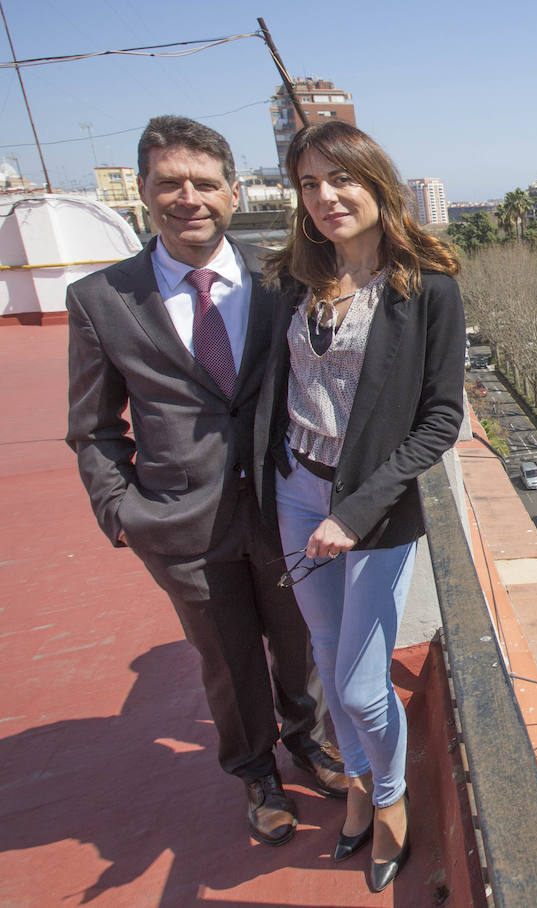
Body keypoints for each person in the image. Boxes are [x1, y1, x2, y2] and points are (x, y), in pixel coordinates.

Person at [66, 115, 346, 847]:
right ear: (143, 192)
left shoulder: (281, 280)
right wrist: (120, 511)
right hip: (181, 524)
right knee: (225, 658)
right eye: (170, 183)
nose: (188, 197)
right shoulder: (103, 300)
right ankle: (256, 772)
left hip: (284, 509)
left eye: (205, 182)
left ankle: (308, 743)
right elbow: (94, 427)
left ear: (230, 192)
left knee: (299, 643)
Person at [256, 120, 464, 893]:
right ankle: (354, 786)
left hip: (371, 510)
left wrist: (357, 509)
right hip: (293, 491)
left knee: (357, 685)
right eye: (308, 184)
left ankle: (389, 799)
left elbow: (441, 418)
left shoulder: (427, 287)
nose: (325, 198)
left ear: (378, 183)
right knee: (321, 652)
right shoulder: (291, 279)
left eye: (340, 179)